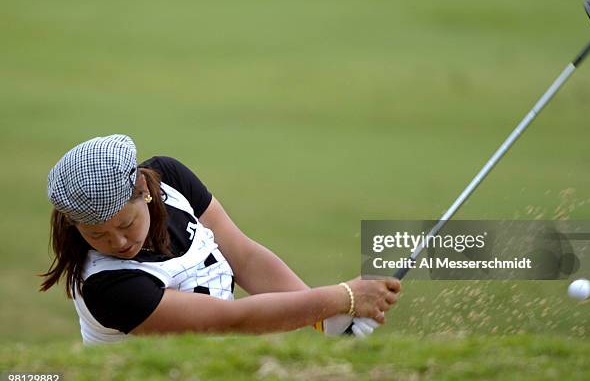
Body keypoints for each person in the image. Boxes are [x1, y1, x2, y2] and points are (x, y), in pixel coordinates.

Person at [40, 135, 400, 345]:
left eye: (126, 224)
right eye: (96, 234)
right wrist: (343, 296)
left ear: (143, 190)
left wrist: (328, 318)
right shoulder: (108, 286)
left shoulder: (171, 178)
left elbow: (244, 258)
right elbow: (232, 319)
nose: (117, 242)